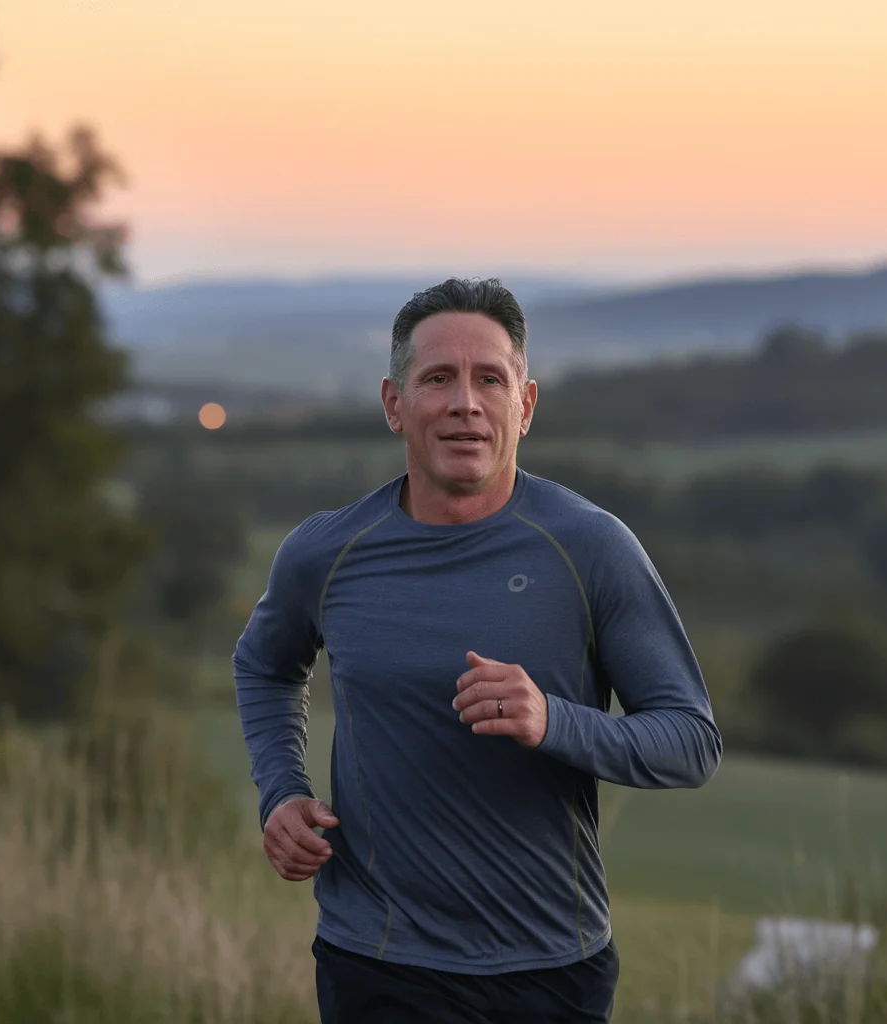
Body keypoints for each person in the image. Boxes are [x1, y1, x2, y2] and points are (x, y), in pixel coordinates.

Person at [233, 277, 722, 1023]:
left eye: (489, 379)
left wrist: (553, 721)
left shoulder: (592, 549)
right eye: (438, 379)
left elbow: (690, 742)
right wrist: (282, 790)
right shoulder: (326, 552)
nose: (465, 401)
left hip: (550, 967)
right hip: (376, 959)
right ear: (395, 403)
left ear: (524, 405)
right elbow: (265, 666)